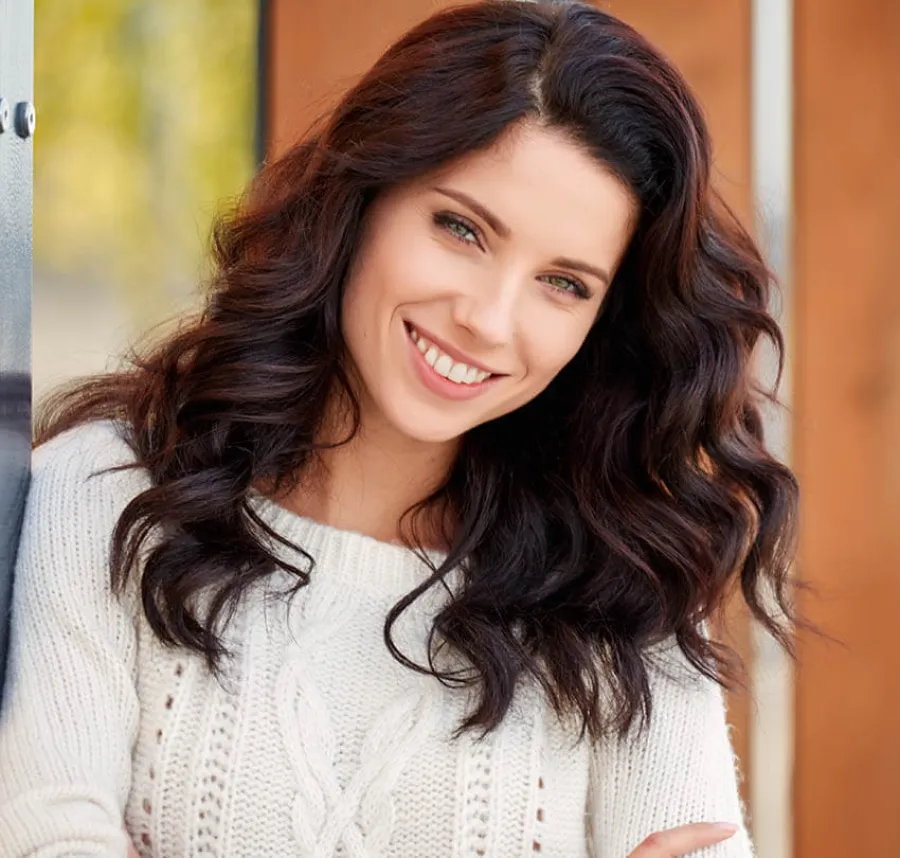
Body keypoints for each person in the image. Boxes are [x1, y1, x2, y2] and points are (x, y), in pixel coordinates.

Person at [0, 1, 800, 855]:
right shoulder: (112, 495)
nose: (488, 320)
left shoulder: (623, 585)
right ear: (363, 198)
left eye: (564, 284)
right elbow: (49, 837)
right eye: (462, 229)